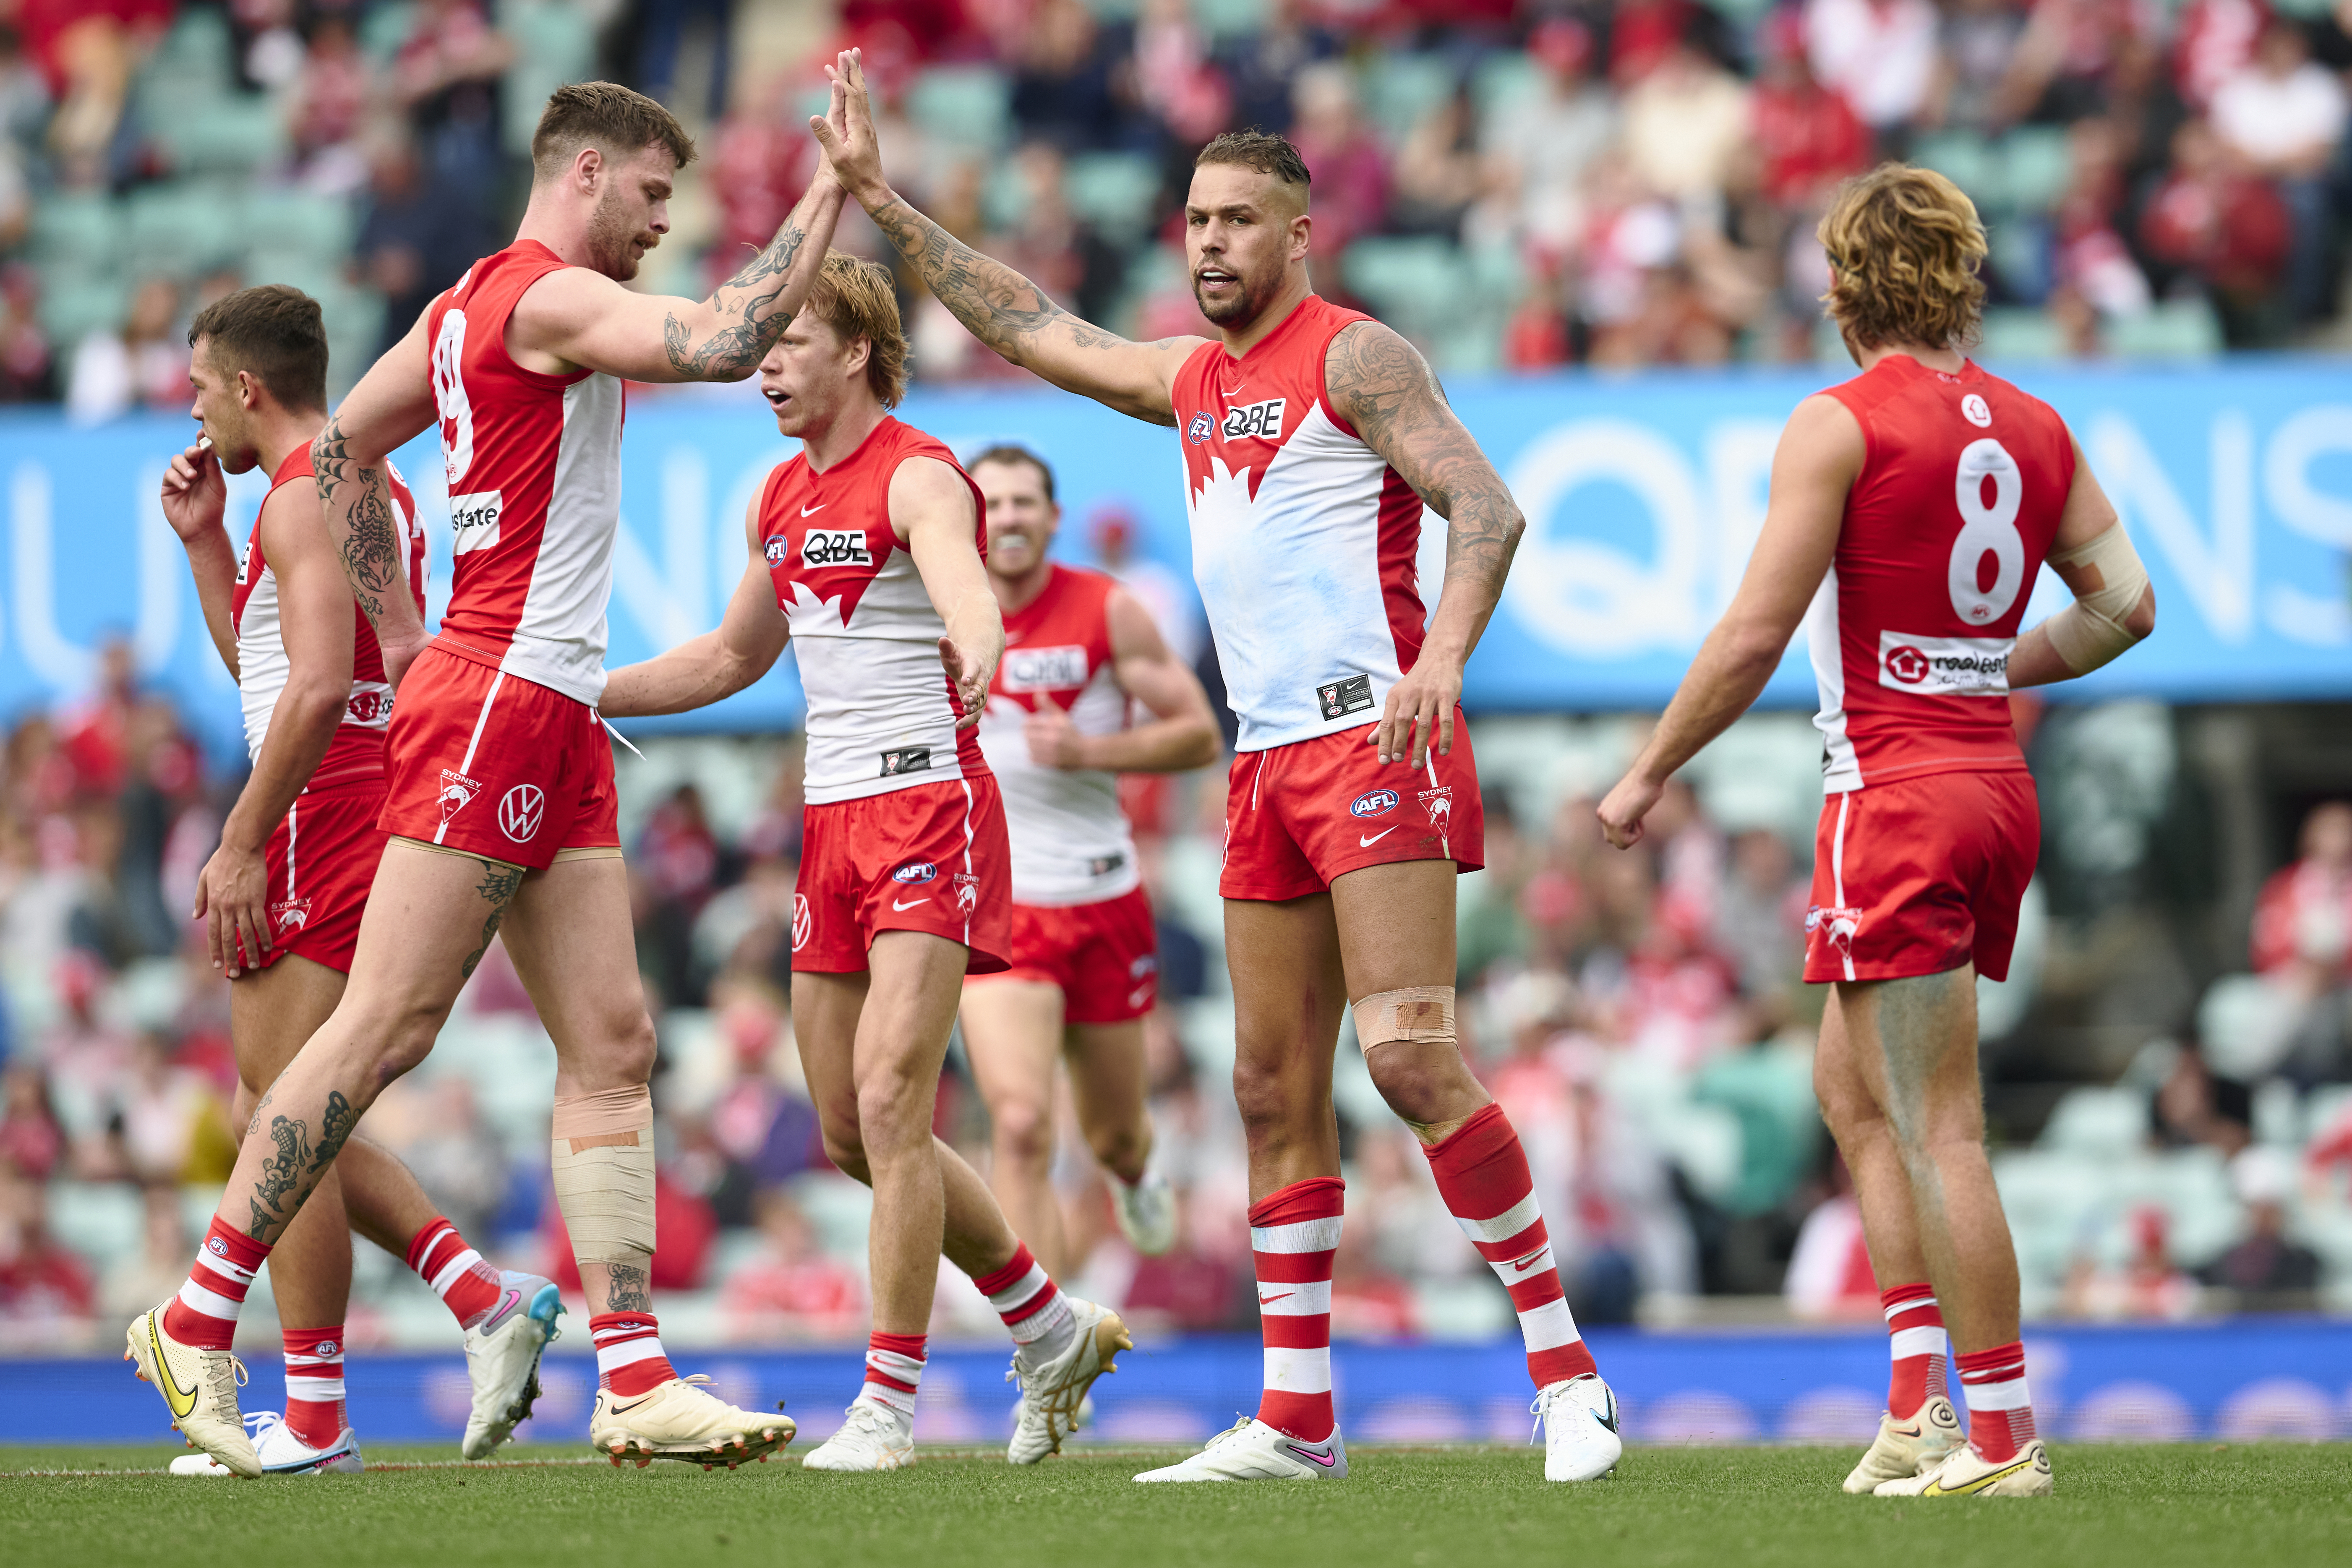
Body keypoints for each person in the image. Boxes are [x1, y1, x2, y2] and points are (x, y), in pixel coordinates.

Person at [809, 47, 1621, 1485]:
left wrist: (1440, 662)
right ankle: (1298, 1418)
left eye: (1236, 220)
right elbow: (1031, 325)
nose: (1206, 243)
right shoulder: (1188, 378)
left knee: (1408, 1055)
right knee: (1262, 1085)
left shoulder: (1357, 354)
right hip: (1261, 763)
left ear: (1298, 233)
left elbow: (1483, 509)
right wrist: (882, 198)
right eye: (1192, 221)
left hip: (1372, 728)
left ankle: (1567, 1374)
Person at [126, 81, 846, 1479]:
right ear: (584, 172)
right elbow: (727, 335)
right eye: (650, 195)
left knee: (614, 1039)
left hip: (542, 698)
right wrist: (831, 192)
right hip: (505, 696)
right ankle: (197, 1312)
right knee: (376, 1030)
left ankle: (630, 1374)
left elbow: (337, 451)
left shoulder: (456, 312)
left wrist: (402, 627)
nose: (660, 222)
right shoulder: (547, 299)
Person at [1596, 163, 2156, 1499]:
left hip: (1893, 796)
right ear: (1962, 279)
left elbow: (1747, 636)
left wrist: (1645, 772)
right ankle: (1913, 1406)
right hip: (1985, 788)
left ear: (1841, 287)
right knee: (1848, 1093)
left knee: (1935, 1124)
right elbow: (2125, 606)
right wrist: (1984, 670)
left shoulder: (1836, 422)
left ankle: (2001, 1437)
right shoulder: (2035, 424)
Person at [599, 252, 1131, 1474]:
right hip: (830, 824)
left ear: (854, 349)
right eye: (763, 342)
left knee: (898, 1101)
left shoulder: (920, 474)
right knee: (844, 1128)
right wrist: (583, 687)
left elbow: (964, 589)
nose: (767, 360)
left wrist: (983, 639)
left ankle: (886, 1406)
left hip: (927, 805)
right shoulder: (774, 494)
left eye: (790, 339)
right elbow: (729, 659)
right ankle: (1046, 1324)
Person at [146, 284, 560, 1477]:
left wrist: (238, 838)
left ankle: (331, 1409)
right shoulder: (358, 488)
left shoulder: (302, 497)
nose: (189, 402)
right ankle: (462, 1310)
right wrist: (203, 544)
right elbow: (273, 661)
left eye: (197, 381)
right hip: (370, 792)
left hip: (322, 803)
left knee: (281, 1107)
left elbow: (317, 689)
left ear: (246, 388)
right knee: (287, 1108)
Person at [954, 443, 1219, 1282]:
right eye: (990, 504)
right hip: (1002, 913)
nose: (1008, 519)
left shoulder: (1107, 608)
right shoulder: (935, 617)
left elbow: (1200, 734)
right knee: (1024, 1125)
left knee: (1112, 1132)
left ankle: (1136, 1173)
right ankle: (1044, 1344)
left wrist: (1092, 750)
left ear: (1053, 518)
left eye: (1024, 502)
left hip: (1103, 895)